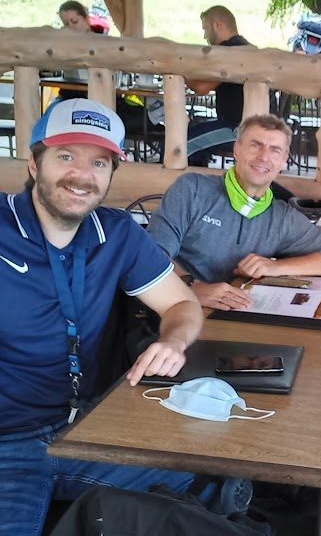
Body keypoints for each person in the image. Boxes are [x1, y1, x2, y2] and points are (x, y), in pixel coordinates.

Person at [0, 98, 204, 536]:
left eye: (99, 162)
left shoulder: (116, 232)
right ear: (35, 164)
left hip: (86, 427)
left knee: (196, 475)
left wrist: (173, 341)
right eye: (66, 157)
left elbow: (182, 305)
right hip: (6, 442)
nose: (82, 175)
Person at [147, 114, 321, 311]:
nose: (264, 156)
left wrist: (275, 267)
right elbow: (150, 253)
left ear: (284, 160)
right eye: (255, 145)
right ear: (237, 149)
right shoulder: (192, 189)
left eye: (275, 150)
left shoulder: (282, 217)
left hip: (231, 315)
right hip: (170, 307)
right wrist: (190, 286)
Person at [55, 0, 163, 142]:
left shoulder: (106, 42)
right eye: (66, 24)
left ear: (86, 18)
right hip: (78, 99)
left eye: (74, 22)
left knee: (129, 115)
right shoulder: (63, 45)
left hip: (109, 95)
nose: (70, 27)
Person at [185, 5, 252, 166]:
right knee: (192, 135)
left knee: (177, 145)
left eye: (206, 29)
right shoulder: (244, 46)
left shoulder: (228, 51)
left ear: (217, 24)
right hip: (241, 125)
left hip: (237, 129)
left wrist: (179, 73)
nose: (205, 36)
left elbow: (201, 88)